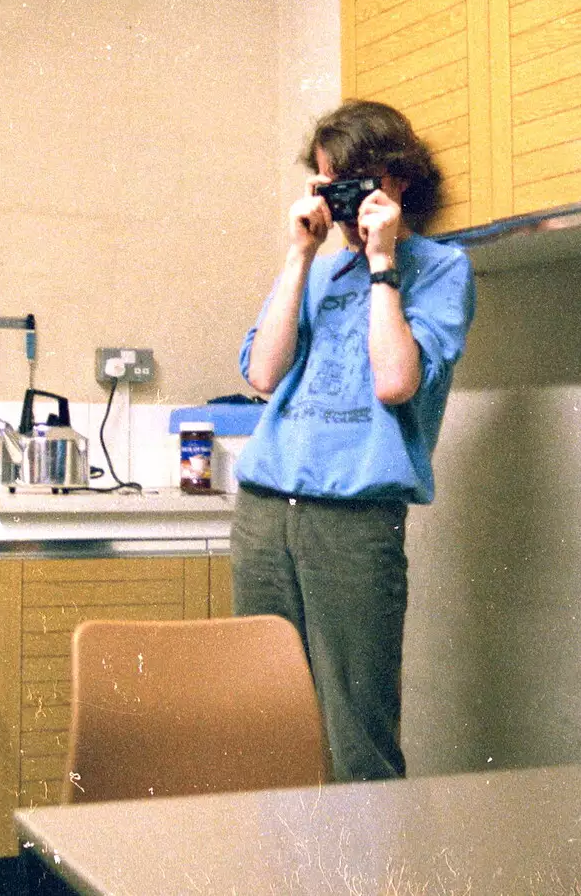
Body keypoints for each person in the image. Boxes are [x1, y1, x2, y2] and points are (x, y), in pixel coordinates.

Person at [231, 99, 475, 782]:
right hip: (263, 511)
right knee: (265, 723)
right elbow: (262, 373)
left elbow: (397, 381)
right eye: (326, 184)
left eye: (352, 183)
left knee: (356, 735)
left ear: (395, 178)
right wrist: (299, 255)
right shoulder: (313, 274)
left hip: (353, 520)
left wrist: (382, 263)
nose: (340, 202)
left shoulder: (441, 268)